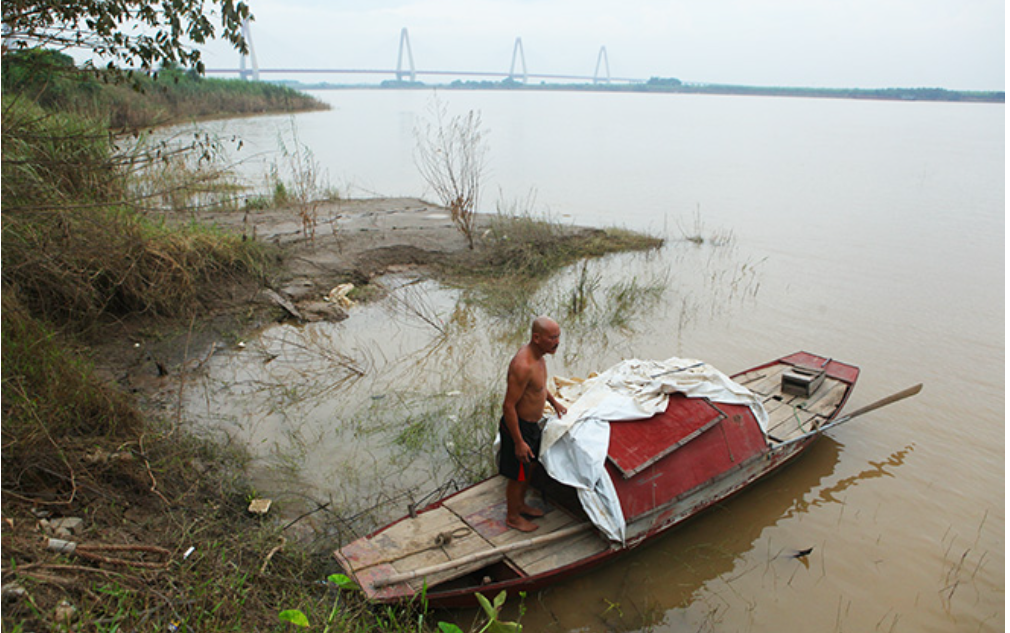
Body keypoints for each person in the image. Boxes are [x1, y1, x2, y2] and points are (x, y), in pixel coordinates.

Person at [500, 316, 567, 532]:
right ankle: (512, 516)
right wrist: (519, 441)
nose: (557, 342)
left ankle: (520, 505)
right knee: (518, 475)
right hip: (518, 428)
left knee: (529, 468)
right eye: (552, 338)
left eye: (558, 336)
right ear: (536, 338)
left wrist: (554, 402)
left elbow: (538, 387)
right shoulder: (523, 365)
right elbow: (508, 406)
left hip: (532, 426)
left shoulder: (540, 356)